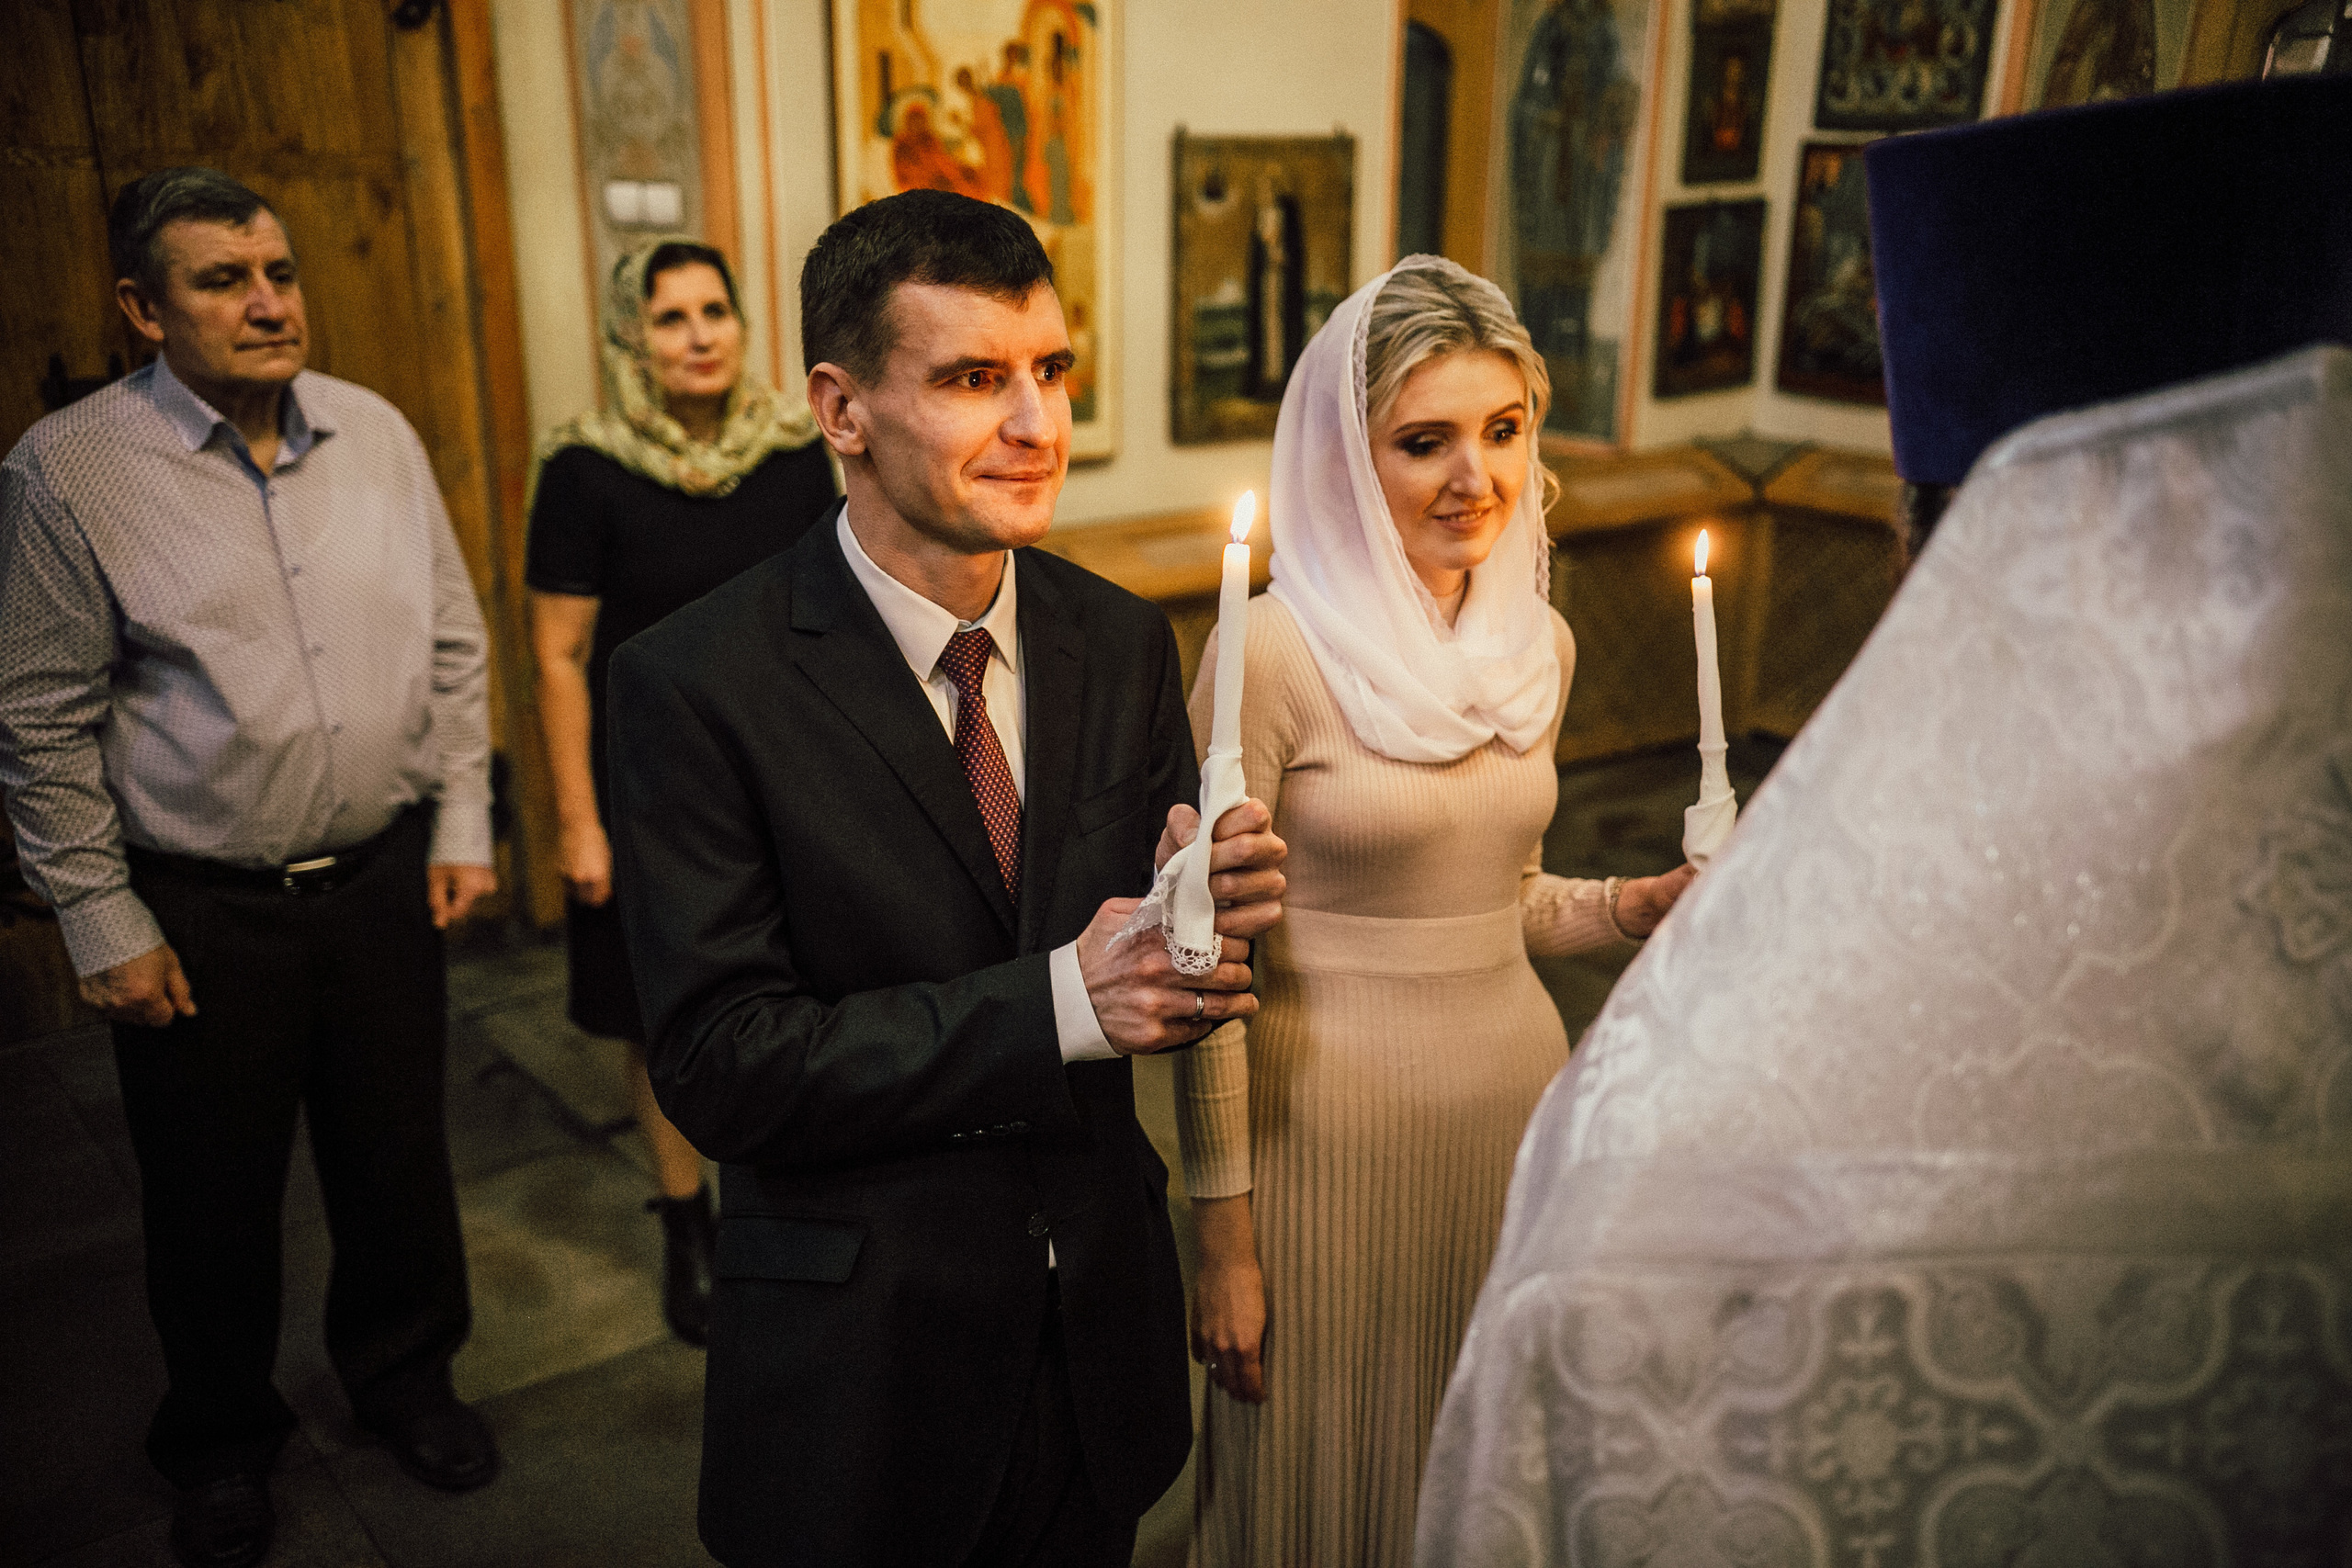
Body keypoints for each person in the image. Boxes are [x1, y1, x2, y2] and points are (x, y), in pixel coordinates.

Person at [605, 188, 1289, 1568]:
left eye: (1051, 370)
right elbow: (723, 1059)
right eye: (975, 378)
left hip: (1094, 1323)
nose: (1039, 425)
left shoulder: (1112, 638)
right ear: (841, 408)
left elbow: (1138, 950)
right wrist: (1060, 1002)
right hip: (867, 1355)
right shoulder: (695, 682)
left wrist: (1196, 910)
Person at [0, 167, 500, 1568]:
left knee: (399, 1156)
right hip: (206, 904)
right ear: (140, 307)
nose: (268, 299)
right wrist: (101, 916)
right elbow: (38, 717)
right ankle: (219, 1437)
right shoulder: (71, 469)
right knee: (213, 1194)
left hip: (385, 875)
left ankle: (405, 1374)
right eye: (224, 278)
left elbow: (454, 642)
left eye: (276, 269)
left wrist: (462, 819)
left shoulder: (380, 436)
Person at [1173, 254, 1695, 1567]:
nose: (1479, 477)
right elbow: (1205, 964)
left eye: (1504, 429)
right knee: (1311, 1478)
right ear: (1351, 459)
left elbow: (1497, 905)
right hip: (1318, 1137)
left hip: (1514, 1117)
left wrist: (1624, 903)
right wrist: (1221, 1230)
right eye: (1426, 440)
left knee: (1471, 1468)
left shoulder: (1539, 642)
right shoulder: (1274, 656)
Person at [525, 237, 835, 1345]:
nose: (699, 335)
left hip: (782, 775)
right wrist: (578, 821)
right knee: (655, 1014)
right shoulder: (585, 467)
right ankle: (683, 1221)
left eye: (716, 311)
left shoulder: (794, 453)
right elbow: (559, 653)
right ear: (630, 338)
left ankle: (778, 1207)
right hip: (645, 787)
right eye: (669, 318)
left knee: (792, 993)